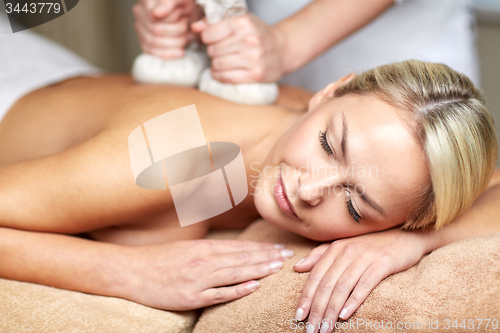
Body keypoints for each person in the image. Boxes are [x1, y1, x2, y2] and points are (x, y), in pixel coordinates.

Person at [1, 55, 499, 333]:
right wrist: (128, 273)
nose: (307, 189)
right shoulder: (183, 149)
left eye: (353, 204)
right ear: (328, 91)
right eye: (329, 144)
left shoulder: (404, 173)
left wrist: (411, 242)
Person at [133, 0, 480, 91]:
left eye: (355, 205)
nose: (309, 192)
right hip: (255, 84)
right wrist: (199, 10)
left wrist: (283, 44)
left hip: (406, 73)